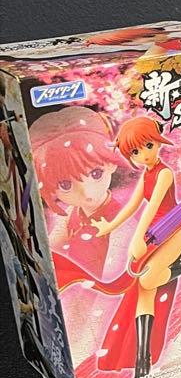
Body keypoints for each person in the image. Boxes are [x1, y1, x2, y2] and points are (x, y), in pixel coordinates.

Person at [85, 117, 181, 378]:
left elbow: (152, 207)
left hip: (175, 228)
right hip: (154, 235)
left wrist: (137, 237)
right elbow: (133, 205)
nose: (143, 155)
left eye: (148, 146)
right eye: (135, 151)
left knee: (149, 278)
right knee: (144, 290)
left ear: (157, 142)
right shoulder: (146, 175)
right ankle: (142, 359)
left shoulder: (164, 173)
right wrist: (109, 226)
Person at [30, 108, 120, 277]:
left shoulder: (121, 218)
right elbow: (51, 250)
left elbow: (116, 273)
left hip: (105, 289)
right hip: (70, 284)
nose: (87, 193)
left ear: (111, 163)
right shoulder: (71, 214)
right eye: (65, 184)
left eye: (96, 174)